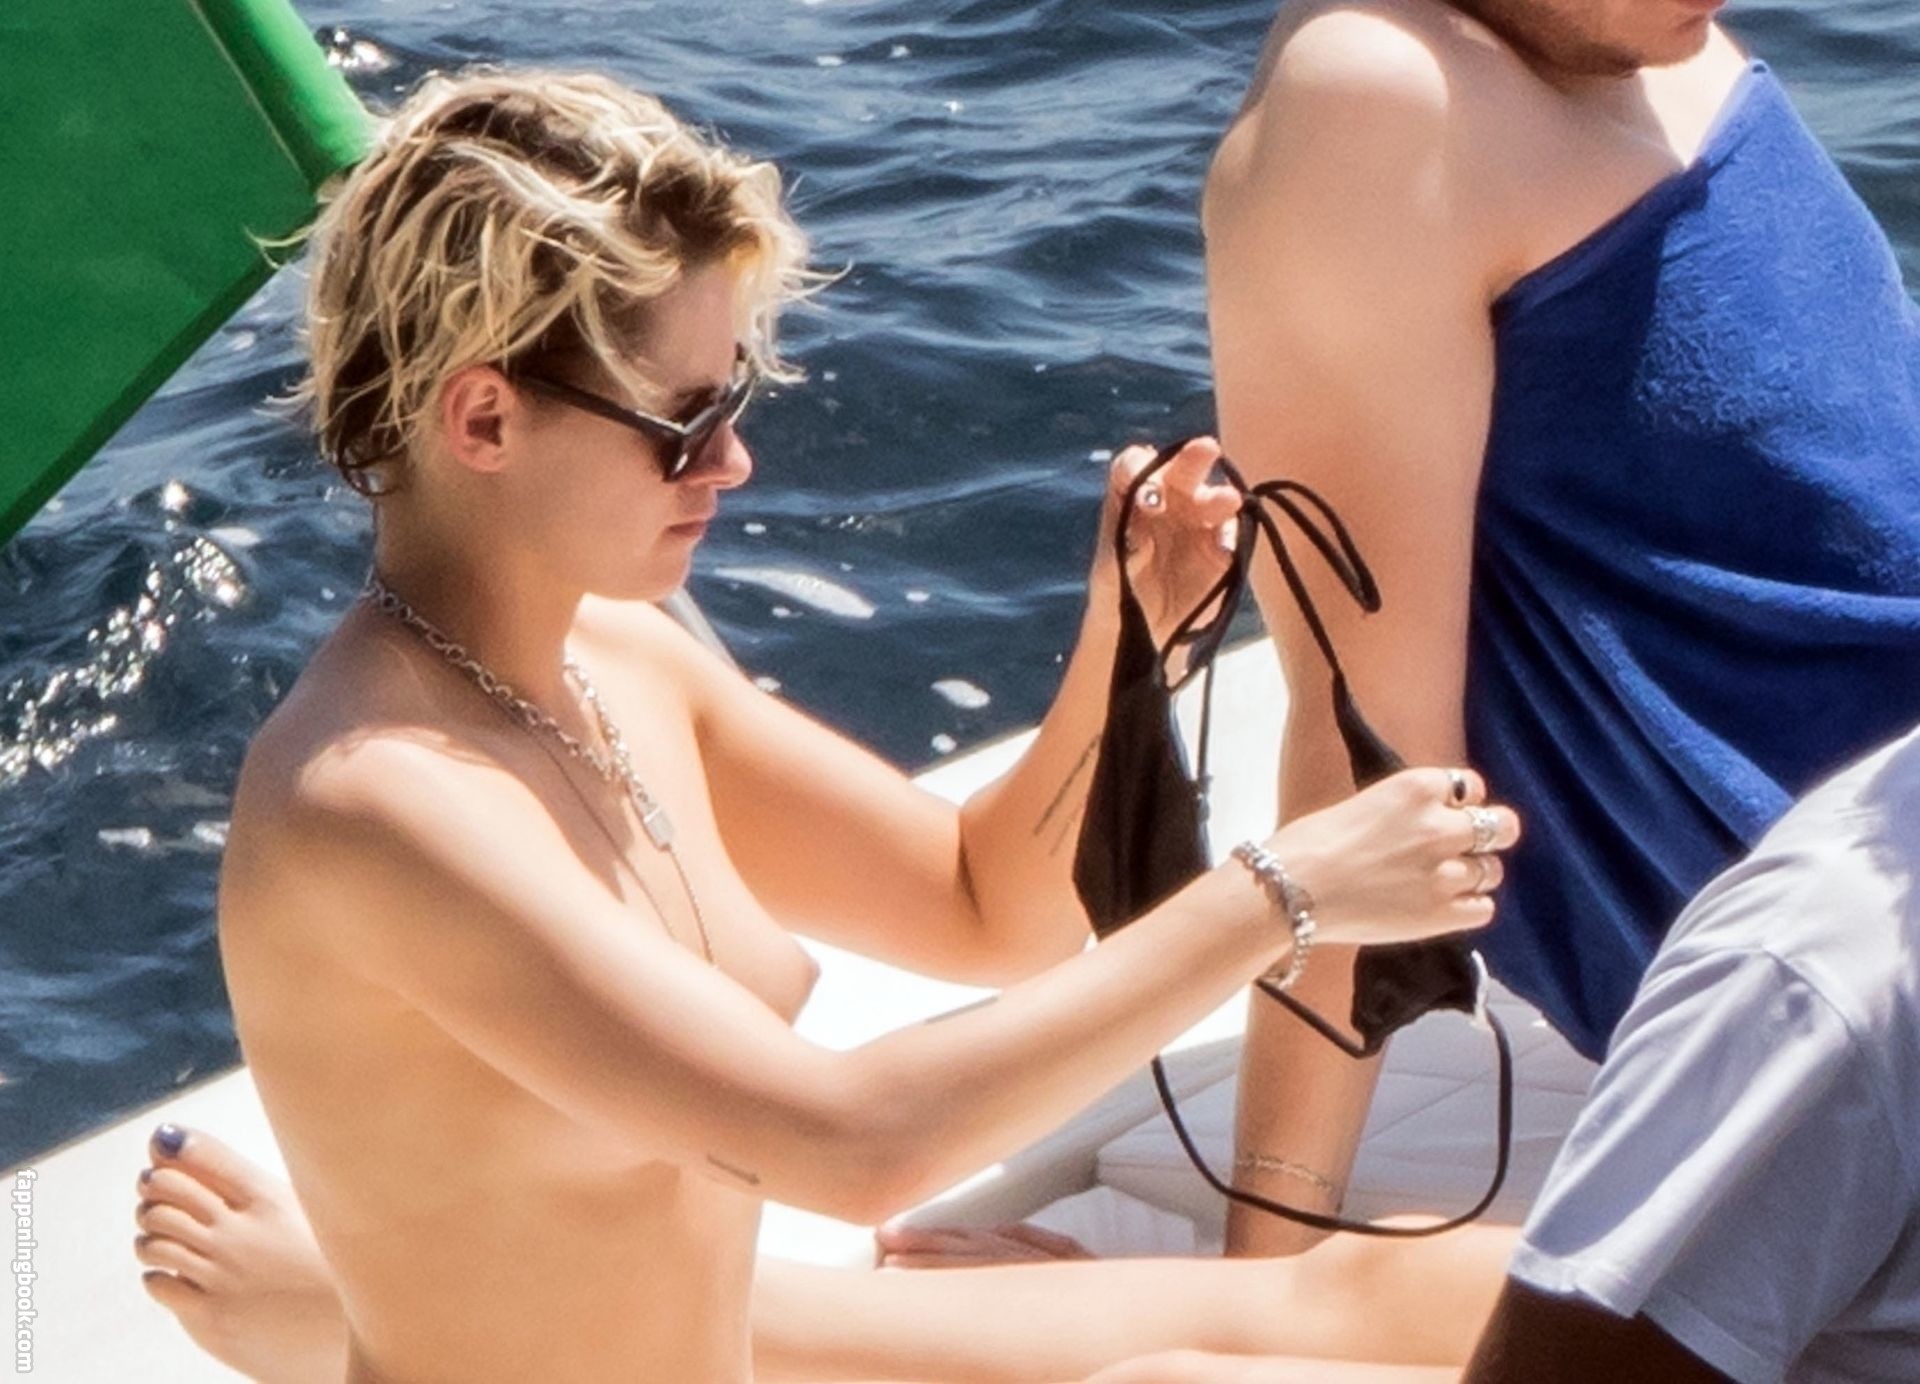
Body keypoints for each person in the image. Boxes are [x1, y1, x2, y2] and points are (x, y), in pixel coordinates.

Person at [128, 67, 1518, 1383]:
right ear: (483, 421)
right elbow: (855, 1151)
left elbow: (985, 906)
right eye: (686, 423)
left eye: (733, 400)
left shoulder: (616, 660)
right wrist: (1284, 896)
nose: (734, 460)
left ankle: (325, 1310)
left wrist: (1126, 640)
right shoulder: (377, 802)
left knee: (1427, 1293)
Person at [1200, 0, 1920, 1259]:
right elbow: (1370, 751)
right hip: (1857, 964)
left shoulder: (1656, 40)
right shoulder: (1381, 104)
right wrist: (1270, 1255)